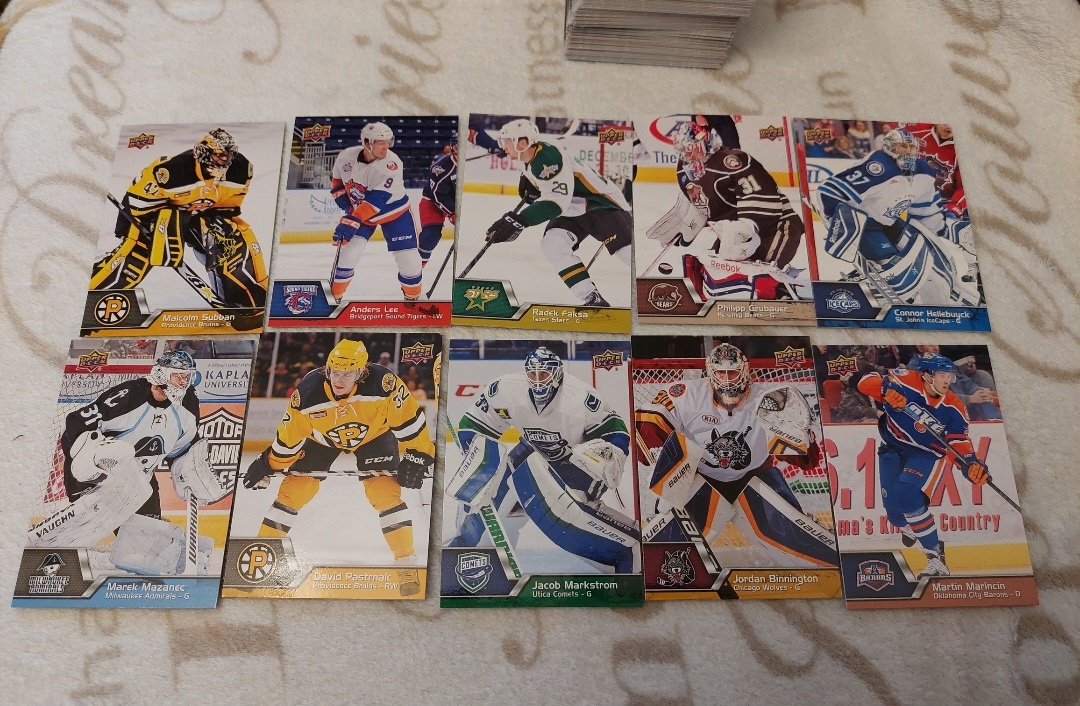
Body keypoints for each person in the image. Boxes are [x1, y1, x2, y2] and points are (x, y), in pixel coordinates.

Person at [242, 339, 433, 595]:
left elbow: (410, 422)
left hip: (375, 435)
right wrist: (269, 463)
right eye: (335, 372)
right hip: (321, 439)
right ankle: (260, 560)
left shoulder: (384, 384)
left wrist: (419, 455)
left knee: (385, 494)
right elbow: (288, 440)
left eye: (347, 373)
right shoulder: (307, 394)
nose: (338, 380)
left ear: (361, 372)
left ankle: (406, 564)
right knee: (294, 492)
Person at [634, 343, 835, 567]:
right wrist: (662, 462)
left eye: (732, 372)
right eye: (721, 373)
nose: (727, 379)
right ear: (711, 372)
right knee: (665, 557)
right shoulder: (687, 394)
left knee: (807, 553)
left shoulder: (768, 401)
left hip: (755, 478)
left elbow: (806, 460)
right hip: (702, 481)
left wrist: (803, 441)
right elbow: (647, 421)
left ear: (744, 371)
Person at [28, 351, 227, 576]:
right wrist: (87, 467)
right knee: (84, 531)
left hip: (141, 481)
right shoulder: (129, 395)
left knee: (147, 554)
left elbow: (182, 446)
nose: (184, 382)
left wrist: (189, 467)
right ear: (161, 374)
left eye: (187, 377)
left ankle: (106, 560)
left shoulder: (188, 402)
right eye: (178, 376)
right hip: (99, 478)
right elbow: (76, 422)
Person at [446, 347, 638, 574]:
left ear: (556, 374)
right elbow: (472, 426)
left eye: (544, 374)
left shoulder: (581, 398)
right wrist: (482, 468)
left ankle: (629, 560)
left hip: (577, 463)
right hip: (531, 452)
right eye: (533, 374)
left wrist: (612, 456)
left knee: (568, 516)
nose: (537, 381)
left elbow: (616, 433)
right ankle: (469, 560)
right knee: (488, 500)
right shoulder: (506, 389)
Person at [90, 128, 268, 311]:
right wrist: (161, 230)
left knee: (229, 241)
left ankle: (243, 300)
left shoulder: (240, 169)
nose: (226, 161)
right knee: (135, 261)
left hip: (197, 215)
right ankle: (93, 293)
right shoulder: (173, 172)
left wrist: (217, 222)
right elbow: (136, 206)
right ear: (204, 153)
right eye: (220, 156)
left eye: (229, 155)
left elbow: (226, 209)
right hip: (151, 216)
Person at [855, 352, 989, 576]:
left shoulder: (954, 407)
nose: (947, 380)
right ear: (926, 375)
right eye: (942, 375)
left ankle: (936, 556)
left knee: (906, 492)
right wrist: (885, 391)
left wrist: (969, 462)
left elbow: (958, 441)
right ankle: (913, 524)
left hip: (924, 453)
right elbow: (864, 382)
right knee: (895, 516)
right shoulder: (905, 380)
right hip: (891, 447)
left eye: (949, 376)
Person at [481, 119, 633, 307]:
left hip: (601, 203)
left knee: (626, 252)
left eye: (507, 141)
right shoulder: (527, 158)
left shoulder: (548, 158)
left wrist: (519, 220)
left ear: (523, 143)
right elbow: (550, 193)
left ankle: (652, 286)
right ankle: (592, 298)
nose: (503, 146)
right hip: (573, 208)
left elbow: (555, 203)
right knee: (553, 244)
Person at [647, 121, 806, 301]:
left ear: (706, 142)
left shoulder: (733, 161)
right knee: (720, 268)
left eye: (691, 149)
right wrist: (685, 225)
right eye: (683, 151)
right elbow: (701, 204)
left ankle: (780, 291)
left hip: (778, 225)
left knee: (761, 271)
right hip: (735, 229)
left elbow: (763, 198)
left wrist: (743, 231)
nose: (687, 156)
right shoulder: (683, 170)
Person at [816, 128, 975, 303]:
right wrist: (835, 220)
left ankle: (944, 296)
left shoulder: (924, 171)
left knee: (930, 257)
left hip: (891, 221)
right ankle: (859, 288)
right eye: (903, 146)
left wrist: (948, 229)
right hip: (865, 224)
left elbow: (926, 210)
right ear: (890, 147)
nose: (908, 151)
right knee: (894, 267)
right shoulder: (878, 167)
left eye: (912, 147)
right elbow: (829, 191)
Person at [328, 122, 423, 303]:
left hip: (395, 213)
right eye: (381, 143)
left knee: (409, 260)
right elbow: (337, 183)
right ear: (366, 142)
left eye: (388, 142)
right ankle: (334, 298)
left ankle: (412, 299)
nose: (386, 147)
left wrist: (352, 219)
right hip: (361, 214)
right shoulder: (345, 157)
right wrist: (348, 207)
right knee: (347, 255)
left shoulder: (391, 165)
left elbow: (376, 201)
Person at [417, 143, 457, 268]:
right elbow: (437, 195)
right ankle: (415, 268)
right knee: (430, 236)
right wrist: (452, 211)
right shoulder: (441, 166)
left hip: (455, 200)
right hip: (432, 200)